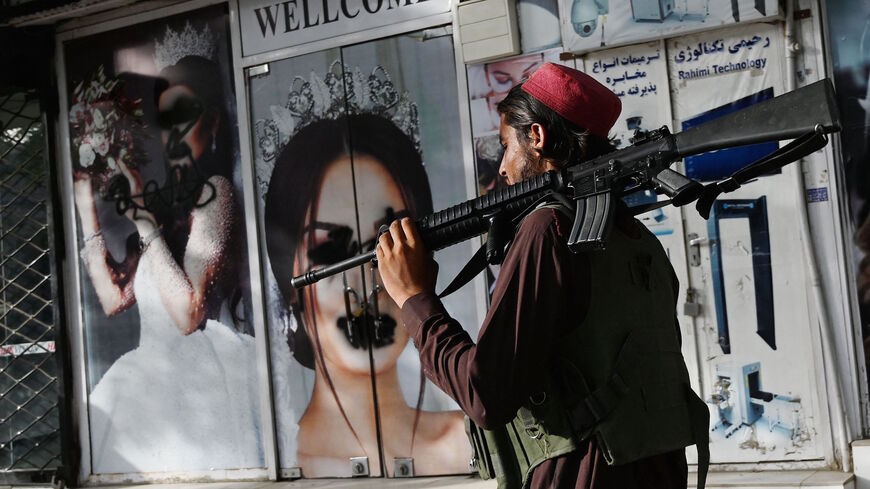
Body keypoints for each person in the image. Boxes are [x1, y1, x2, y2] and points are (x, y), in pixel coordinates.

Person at [376, 62, 709, 488]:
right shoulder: (637, 238)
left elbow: (486, 395)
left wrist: (415, 299)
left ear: (536, 137)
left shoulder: (548, 230)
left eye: (506, 147)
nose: (502, 168)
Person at [72, 51, 261, 472]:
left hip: (200, 392)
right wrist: (88, 215)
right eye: (165, 119)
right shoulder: (164, 204)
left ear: (212, 125)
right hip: (147, 388)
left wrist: (142, 218)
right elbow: (112, 299)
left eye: (185, 115)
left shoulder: (216, 194)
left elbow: (187, 313)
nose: (173, 131)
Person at [264, 113, 471, 478]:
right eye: (330, 252)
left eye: (390, 245)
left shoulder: (468, 439)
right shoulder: (284, 462)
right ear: (289, 278)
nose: (365, 286)